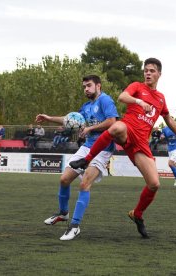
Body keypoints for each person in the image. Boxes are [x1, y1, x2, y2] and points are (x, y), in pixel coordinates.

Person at [70, 58, 176, 239]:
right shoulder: (137, 86)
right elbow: (122, 97)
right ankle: (85, 161)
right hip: (128, 130)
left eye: (151, 71)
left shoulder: (161, 98)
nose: (147, 73)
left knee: (154, 184)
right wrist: (139, 102)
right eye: (146, 70)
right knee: (116, 127)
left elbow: (169, 119)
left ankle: (137, 214)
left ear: (159, 74)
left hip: (141, 142)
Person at [36, 74, 118, 241]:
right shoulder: (86, 106)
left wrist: (90, 128)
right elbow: (70, 120)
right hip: (87, 146)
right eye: (84, 86)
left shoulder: (105, 100)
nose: (86, 89)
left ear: (98, 86)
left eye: (89, 85)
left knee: (84, 183)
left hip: (103, 148)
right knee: (64, 179)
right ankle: (63, 213)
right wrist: (49, 118)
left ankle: (74, 226)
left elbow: (112, 121)